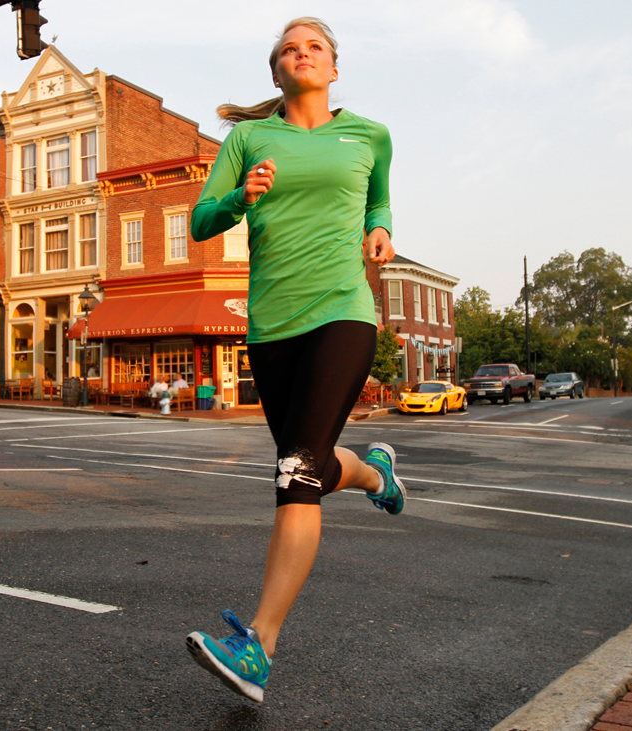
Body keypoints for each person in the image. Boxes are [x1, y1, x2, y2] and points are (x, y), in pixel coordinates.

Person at [184, 17, 407, 704]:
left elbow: (379, 197)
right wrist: (238, 196)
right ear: (275, 72)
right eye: (288, 48)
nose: (301, 53)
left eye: (313, 46)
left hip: (342, 312)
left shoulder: (369, 135)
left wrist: (381, 228)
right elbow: (199, 222)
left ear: (333, 67)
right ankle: (374, 473)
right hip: (272, 326)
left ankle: (259, 645)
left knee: (294, 474)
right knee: (307, 465)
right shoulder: (250, 138)